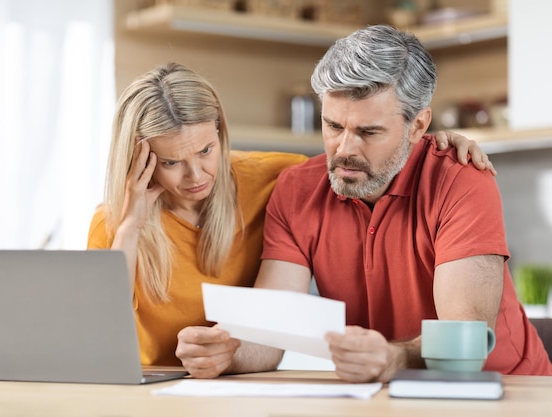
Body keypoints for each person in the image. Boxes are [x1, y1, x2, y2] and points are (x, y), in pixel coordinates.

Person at [174, 25, 552, 380]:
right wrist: (228, 351)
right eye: (333, 126)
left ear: (418, 127)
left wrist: (395, 359)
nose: (344, 150)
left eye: (368, 132)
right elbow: (273, 329)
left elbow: (466, 339)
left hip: (507, 391)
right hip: (383, 393)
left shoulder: (461, 180)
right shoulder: (297, 190)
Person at [88, 62, 494, 368]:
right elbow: (96, 335)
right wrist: (130, 227)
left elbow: (355, 163)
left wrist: (426, 142)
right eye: (172, 162)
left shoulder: (273, 178)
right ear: (138, 158)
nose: (196, 176)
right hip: (147, 390)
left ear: (221, 133)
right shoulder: (113, 224)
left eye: (206, 151)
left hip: (230, 384)